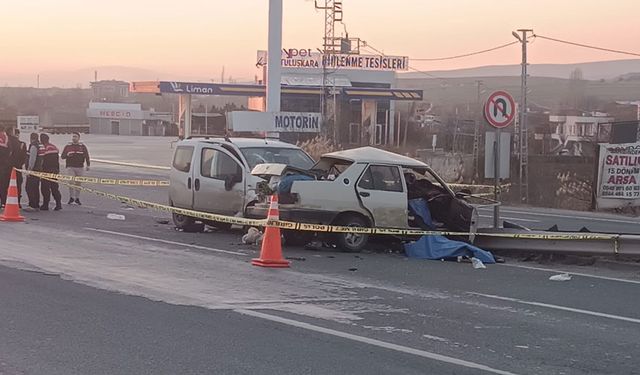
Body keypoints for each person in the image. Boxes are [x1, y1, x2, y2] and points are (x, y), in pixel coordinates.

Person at [61, 132, 90, 205]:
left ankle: (77, 198)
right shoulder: (68, 146)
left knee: (78, 183)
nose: (74, 138)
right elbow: (62, 156)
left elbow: (87, 156)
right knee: (71, 182)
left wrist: (88, 165)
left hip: (80, 167)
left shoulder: (82, 146)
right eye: (73, 136)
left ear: (79, 138)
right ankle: (71, 197)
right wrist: (67, 155)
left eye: (75, 137)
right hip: (70, 167)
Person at [39, 134, 62, 211]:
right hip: (55, 170)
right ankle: (58, 204)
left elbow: (42, 160)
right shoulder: (54, 147)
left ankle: (45, 205)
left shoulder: (44, 148)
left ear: (42, 140)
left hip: (46, 170)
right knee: (55, 187)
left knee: (45, 188)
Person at [7, 128, 27, 207]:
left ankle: (13, 201)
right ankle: (16, 201)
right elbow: (24, 157)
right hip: (17, 167)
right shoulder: (21, 144)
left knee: (13, 185)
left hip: (11, 167)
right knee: (17, 185)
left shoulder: (19, 144)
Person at [24, 132, 44, 212]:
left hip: (33, 170)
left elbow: (32, 159)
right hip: (39, 169)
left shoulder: (33, 146)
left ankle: (32, 204)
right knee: (36, 187)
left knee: (29, 187)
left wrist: (29, 170)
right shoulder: (40, 145)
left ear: (31, 138)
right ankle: (36, 205)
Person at [0, 127, 14, 209]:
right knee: (4, 185)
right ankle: (4, 203)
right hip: (5, 165)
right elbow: (11, 151)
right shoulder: (7, 138)